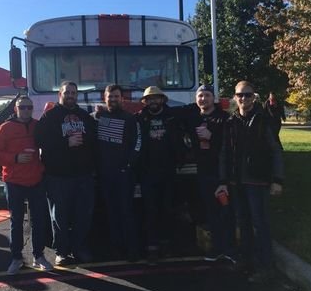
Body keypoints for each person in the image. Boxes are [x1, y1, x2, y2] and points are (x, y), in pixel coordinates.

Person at [216, 81, 284, 282]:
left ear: (254, 97)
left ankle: (266, 266)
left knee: (260, 224)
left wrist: (277, 180)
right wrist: (222, 180)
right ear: (235, 97)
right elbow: (224, 153)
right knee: (242, 223)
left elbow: (276, 151)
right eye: (240, 95)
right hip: (237, 182)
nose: (243, 98)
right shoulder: (230, 122)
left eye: (247, 95)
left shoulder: (264, 120)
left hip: (258, 181)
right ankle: (246, 260)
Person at [0, 96, 53, 275]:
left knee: (39, 220)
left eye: (29, 107)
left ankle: (38, 255)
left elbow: (49, 145)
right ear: (15, 108)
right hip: (14, 181)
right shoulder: (5, 127)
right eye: (22, 107)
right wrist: (15, 158)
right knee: (16, 221)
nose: (26, 110)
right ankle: (16, 258)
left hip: (36, 180)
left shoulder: (37, 125)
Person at [35, 81, 96, 266]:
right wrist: (65, 143)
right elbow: (40, 141)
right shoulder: (49, 116)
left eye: (73, 92)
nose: (70, 95)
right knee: (59, 216)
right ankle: (61, 252)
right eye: (67, 92)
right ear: (60, 94)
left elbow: (94, 140)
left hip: (83, 175)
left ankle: (79, 248)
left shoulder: (85, 116)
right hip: (57, 176)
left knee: (83, 215)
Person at [174, 85, 234, 262]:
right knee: (211, 211)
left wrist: (211, 136)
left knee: (227, 210)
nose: (203, 99)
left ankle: (230, 248)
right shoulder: (193, 117)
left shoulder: (224, 118)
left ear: (213, 98)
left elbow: (230, 146)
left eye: (207, 96)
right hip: (204, 171)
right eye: (200, 96)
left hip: (223, 172)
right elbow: (170, 115)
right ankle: (217, 248)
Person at [136, 86, 184, 264]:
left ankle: (167, 245)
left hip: (169, 170)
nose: (153, 102)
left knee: (168, 209)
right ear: (145, 102)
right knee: (150, 211)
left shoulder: (173, 115)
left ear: (163, 100)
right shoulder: (139, 118)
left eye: (156, 98)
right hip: (148, 172)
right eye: (149, 99)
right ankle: (152, 248)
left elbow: (196, 110)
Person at [95, 84, 141, 261]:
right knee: (111, 212)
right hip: (105, 175)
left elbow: (137, 144)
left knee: (126, 212)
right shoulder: (98, 117)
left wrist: (128, 165)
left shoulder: (130, 119)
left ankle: (133, 250)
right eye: (110, 97)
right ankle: (116, 248)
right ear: (104, 98)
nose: (113, 99)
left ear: (121, 98)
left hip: (124, 175)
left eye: (116, 96)